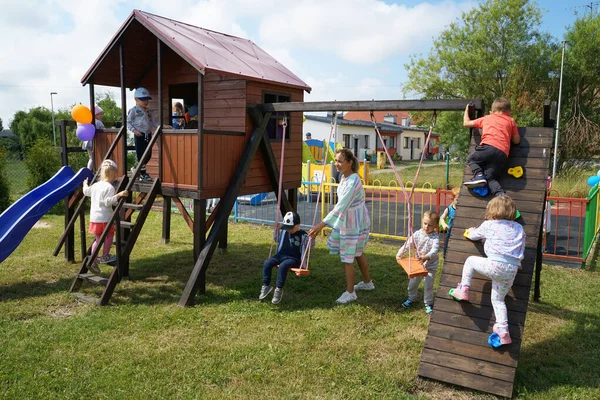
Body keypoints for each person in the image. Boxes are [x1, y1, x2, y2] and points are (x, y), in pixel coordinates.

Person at [449, 195, 525, 346]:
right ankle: (503, 331)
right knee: (498, 300)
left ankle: (463, 289)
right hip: (511, 270)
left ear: (492, 210)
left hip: (495, 265)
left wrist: (470, 231)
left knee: (470, 261)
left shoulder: (490, 224)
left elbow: (474, 235)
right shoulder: (519, 227)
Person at [308, 148, 373, 304]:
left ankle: (350, 293)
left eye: (340, 161)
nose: (336, 164)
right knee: (357, 252)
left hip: (353, 222)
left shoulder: (353, 181)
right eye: (336, 160)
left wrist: (320, 225)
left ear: (349, 163)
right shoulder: (345, 178)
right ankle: (368, 283)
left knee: (348, 257)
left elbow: (341, 206)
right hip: (353, 218)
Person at [463, 98, 520, 197]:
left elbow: (466, 123)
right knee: (490, 178)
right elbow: (516, 140)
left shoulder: (487, 118)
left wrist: (466, 110)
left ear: (492, 111)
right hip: (502, 154)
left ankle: (479, 175)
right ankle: (501, 195)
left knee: (471, 159)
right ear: (509, 112)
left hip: (488, 147)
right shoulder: (511, 121)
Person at [82, 159, 128, 274]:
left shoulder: (96, 186)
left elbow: (86, 192)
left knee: (98, 239)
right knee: (109, 235)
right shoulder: (109, 188)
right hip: (104, 218)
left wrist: (85, 184)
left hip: (94, 218)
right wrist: (119, 195)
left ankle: (93, 259)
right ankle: (105, 255)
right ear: (113, 175)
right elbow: (108, 202)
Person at [260, 211, 314, 304]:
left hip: (293, 258)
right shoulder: (284, 231)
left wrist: (312, 238)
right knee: (267, 263)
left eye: (290, 228)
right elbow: (277, 239)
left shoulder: (303, 235)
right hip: (280, 255)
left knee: (283, 266)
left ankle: (278, 289)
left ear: (297, 225)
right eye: (287, 228)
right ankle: (266, 286)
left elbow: (309, 246)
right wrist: (276, 230)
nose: (288, 230)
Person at [397, 210, 440, 314]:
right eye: (425, 223)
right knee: (413, 283)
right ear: (422, 221)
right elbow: (408, 244)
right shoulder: (417, 234)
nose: (426, 226)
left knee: (428, 285)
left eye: (430, 225)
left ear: (435, 226)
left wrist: (426, 257)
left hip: (430, 266)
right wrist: (399, 254)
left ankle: (428, 303)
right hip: (418, 265)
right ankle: (411, 298)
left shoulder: (435, 237)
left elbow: (435, 250)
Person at [127, 87, 159, 181]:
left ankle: (136, 169)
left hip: (148, 134)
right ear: (136, 99)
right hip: (139, 135)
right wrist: (134, 130)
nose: (146, 102)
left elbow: (153, 122)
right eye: (143, 99)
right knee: (141, 155)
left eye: (147, 99)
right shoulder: (134, 110)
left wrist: (162, 126)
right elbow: (128, 122)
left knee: (148, 154)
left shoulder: (148, 111)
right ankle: (143, 174)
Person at [82, 105, 105, 170]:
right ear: (95, 114)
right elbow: (103, 130)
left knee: (91, 158)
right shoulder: (98, 122)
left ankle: (89, 171)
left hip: (87, 142)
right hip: (94, 142)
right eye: (100, 114)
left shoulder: (88, 121)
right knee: (96, 158)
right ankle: (90, 171)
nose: (101, 116)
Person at [440, 187, 460, 258]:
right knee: (446, 249)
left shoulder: (462, 210)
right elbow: (442, 218)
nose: (459, 202)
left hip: (459, 234)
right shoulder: (449, 209)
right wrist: (444, 224)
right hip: (449, 233)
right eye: (457, 200)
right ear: (452, 199)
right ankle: (445, 257)